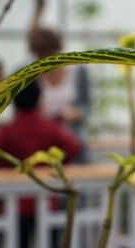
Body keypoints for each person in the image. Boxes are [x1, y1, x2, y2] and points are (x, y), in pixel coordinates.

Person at [0, 79, 81, 248]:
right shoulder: (49, 127)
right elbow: (73, 146)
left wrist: (6, 170)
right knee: (51, 242)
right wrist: (55, 166)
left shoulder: (8, 129)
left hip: (16, 202)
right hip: (48, 197)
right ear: (39, 99)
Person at [28, 27, 91, 162]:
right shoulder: (28, 73)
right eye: (41, 56)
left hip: (70, 134)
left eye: (50, 54)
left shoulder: (78, 71)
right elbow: (22, 110)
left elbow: (87, 106)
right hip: (41, 136)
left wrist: (75, 113)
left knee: (78, 148)